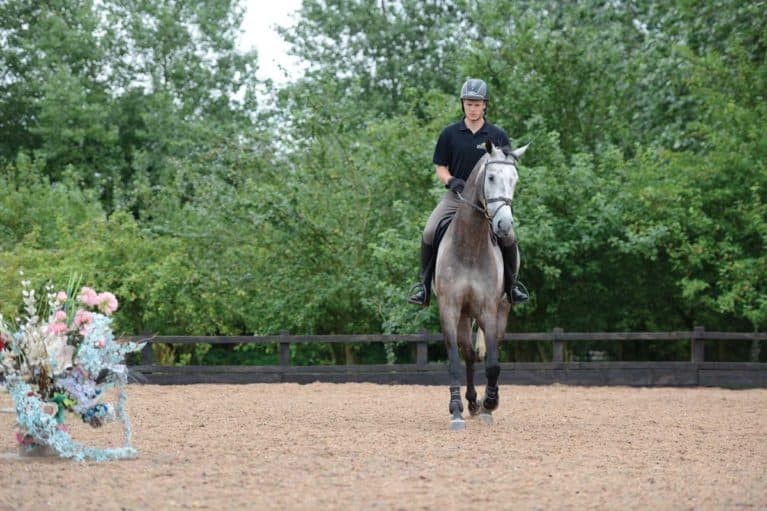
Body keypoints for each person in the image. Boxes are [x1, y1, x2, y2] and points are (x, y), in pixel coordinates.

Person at [407, 78, 529, 307]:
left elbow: (506, 168)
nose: (472, 108)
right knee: (430, 230)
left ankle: (512, 287)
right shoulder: (449, 134)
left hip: (490, 202)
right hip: (457, 198)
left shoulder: (498, 135)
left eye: (477, 104)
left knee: (509, 236)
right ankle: (423, 287)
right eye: (468, 103)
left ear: (485, 105)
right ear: (463, 104)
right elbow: (440, 167)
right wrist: (451, 180)